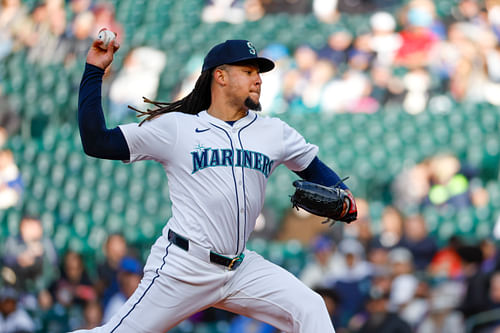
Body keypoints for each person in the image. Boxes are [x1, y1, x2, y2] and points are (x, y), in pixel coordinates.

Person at [74, 36, 357, 332]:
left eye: (258, 73)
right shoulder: (177, 127)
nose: (258, 80)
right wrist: (94, 71)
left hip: (241, 268)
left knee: (310, 308)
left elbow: (313, 168)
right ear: (220, 76)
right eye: (248, 71)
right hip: (185, 266)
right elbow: (97, 142)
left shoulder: (273, 131)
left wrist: (343, 194)